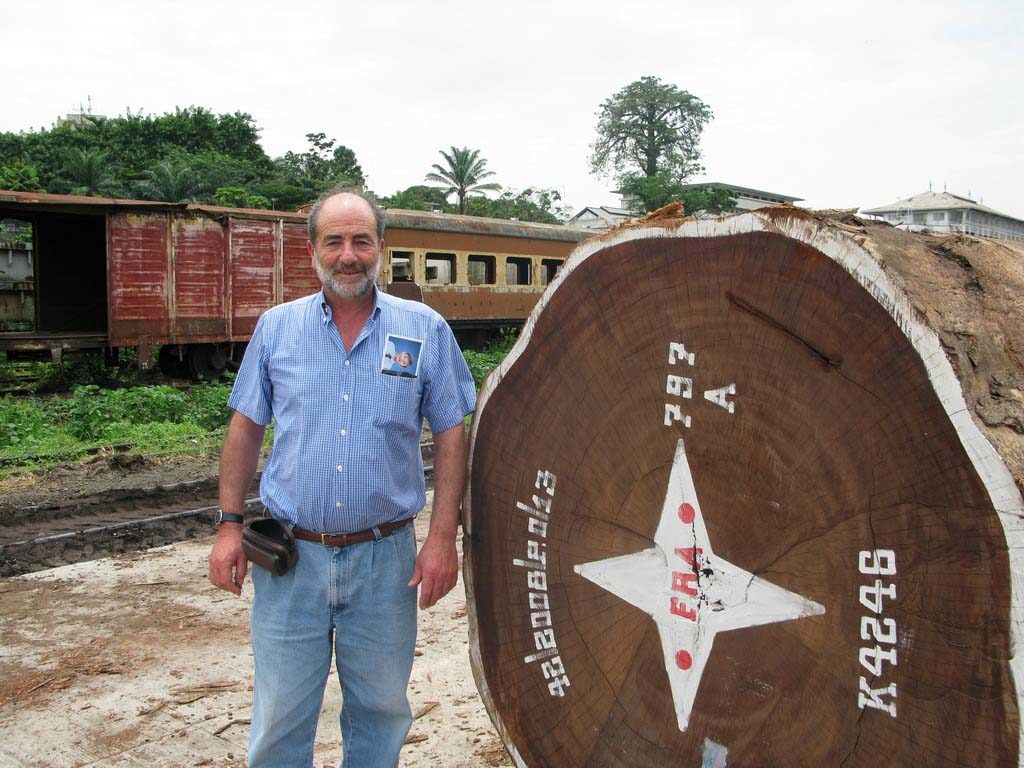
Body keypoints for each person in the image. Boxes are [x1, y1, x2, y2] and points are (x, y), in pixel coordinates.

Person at [208, 187, 476, 768]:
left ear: (381, 248)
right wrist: (229, 527)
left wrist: (441, 537)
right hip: (291, 562)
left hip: (386, 562)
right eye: (334, 242)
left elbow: (452, 434)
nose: (348, 255)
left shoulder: (424, 329)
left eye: (361, 241)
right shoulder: (277, 329)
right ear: (312, 251)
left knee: (381, 711)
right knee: (279, 717)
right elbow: (245, 429)